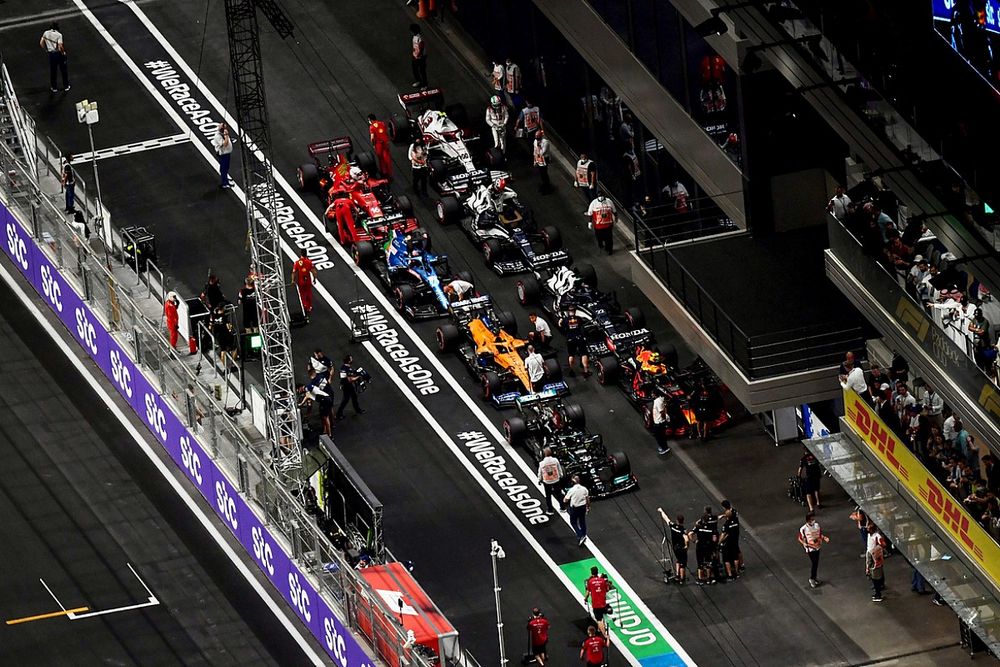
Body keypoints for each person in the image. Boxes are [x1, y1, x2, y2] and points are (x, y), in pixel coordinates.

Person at [798, 511, 830, 588]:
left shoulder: (817, 525)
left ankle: (814, 578)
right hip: (810, 548)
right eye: (812, 519)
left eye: (813, 518)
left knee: (816, 563)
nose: (813, 520)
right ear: (808, 520)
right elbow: (800, 538)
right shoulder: (803, 529)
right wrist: (805, 544)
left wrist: (824, 538)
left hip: (817, 546)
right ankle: (812, 579)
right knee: (814, 563)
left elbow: (820, 534)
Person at [657, 508, 689, 583]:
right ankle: (682, 578)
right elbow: (686, 539)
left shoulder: (673, 526)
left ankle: (677, 575)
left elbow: (666, 519)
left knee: (678, 560)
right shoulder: (683, 530)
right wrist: (687, 546)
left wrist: (661, 511)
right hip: (681, 548)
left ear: (677, 520)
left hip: (675, 547)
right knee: (683, 563)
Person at [583, 566, 614, 637]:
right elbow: (607, 590)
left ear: (592, 573)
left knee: (599, 619)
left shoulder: (590, 581)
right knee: (601, 615)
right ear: (597, 572)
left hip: (596, 605)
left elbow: (588, 592)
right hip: (603, 604)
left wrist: (585, 599)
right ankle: (600, 628)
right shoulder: (602, 580)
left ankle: (604, 634)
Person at [691, 507, 719, 585]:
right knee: (708, 563)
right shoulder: (712, 528)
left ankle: (700, 579)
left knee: (700, 563)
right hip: (708, 547)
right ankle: (709, 579)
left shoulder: (698, 527)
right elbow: (714, 539)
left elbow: (690, 534)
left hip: (700, 547)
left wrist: (694, 541)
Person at [559, 307, 590, 377]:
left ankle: (572, 370)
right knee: (584, 353)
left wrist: (560, 321)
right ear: (575, 311)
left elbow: (560, 326)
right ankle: (586, 371)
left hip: (570, 339)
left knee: (571, 355)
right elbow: (583, 326)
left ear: (568, 312)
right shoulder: (579, 319)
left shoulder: (565, 320)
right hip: (579, 338)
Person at [40, 22, 69, 92]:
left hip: (51, 54)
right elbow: (60, 46)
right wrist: (63, 53)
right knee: (63, 70)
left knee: (53, 71)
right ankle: (66, 86)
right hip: (58, 54)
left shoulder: (46, 33)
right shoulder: (59, 35)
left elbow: (41, 43)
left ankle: (54, 87)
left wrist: (46, 49)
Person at [335, 354, 366, 420]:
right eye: (351, 359)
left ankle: (357, 410)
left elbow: (351, 375)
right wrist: (359, 376)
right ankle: (338, 414)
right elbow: (350, 379)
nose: (352, 360)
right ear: (349, 361)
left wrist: (356, 372)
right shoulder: (346, 369)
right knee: (345, 400)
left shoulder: (345, 367)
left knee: (354, 397)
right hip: (346, 386)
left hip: (347, 385)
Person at [536, 446, 565, 515]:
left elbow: (540, 473)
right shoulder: (555, 460)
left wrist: (539, 480)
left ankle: (550, 510)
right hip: (556, 479)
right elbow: (559, 468)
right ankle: (562, 508)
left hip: (547, 481)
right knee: (559, 494)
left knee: (548, 496)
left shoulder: (542, 463)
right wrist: (561, 476)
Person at [563, 474, 590, 546]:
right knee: (582, 521)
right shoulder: (584, 489)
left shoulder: (572, 490)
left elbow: (565, 500)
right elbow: (587, 499)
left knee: (573, 522)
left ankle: (580, 535)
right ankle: (584, 534)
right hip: (583, 507)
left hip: (575, 508)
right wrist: (588, 507)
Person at [719, 500, 741, 580]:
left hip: (728, 542)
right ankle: (737, 571)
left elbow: (724, 534)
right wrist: (724, 515)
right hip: (735, 538)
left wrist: (719, 542)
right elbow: (730, 514)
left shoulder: (726, 525)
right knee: (735, 556)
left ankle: (730, 574)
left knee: (726, 559)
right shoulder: (735, 520)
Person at [291, 251, 316, 317]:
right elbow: (314, 272)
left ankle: (304, 305)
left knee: (302, 294)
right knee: (308, 293)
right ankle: (309, 307)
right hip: (307, 280)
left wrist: (293, 280)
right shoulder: (309, 262)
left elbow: (294, 272)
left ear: (301, 254)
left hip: (300, 281)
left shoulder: (297, 263)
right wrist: (314, 279)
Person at [368, 114, 392, 179]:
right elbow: (386, 132)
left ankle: (384, 172)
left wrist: (373, 144)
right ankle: (389, 172)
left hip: (378, 144)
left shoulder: (372, 127)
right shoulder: (382, 123)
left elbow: (372, 138)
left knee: (381, 158)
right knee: (387, 157)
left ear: (371, 120)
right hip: (385, 142)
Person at [211, 123, 234, 189]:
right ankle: (225, 183)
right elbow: (225, 144)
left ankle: (226, 179)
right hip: (223, 154)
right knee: (223, 169)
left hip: (226, 153)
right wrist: (226, 135)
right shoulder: (218, 136)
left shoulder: (222, 133)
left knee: (226, 168)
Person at [651, 388, 671, 455]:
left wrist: (664, 419)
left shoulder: (658, 401)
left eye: (652, 393)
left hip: (659, 422)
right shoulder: (660, 399)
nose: (651, 394)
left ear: (655, 394)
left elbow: (662, 412)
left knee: (659, 436)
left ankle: (664, 448)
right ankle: (663, 447)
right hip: (659, 422)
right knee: (661, 436)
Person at [533, 130, 552, 194]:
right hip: (538, 159)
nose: (537, 139)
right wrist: (535, 161)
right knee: (541, 173)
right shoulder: (535, 141)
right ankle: (544, 184)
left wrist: (539, 146)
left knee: (544, 173)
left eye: (538, 138)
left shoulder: (545, 142)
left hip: (544, 159)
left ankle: (547, 187)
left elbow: (542, 153)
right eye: (536, 138)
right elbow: (535, 151)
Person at [409, 23, 427, 88]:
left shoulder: (419, 38)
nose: (410, 32)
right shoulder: (414, 37)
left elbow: (421, 48)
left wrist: (418, 56)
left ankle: (425, 85)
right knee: (415, 70)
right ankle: (418, 81)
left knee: (422, 71)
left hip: (421, 57)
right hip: (415, 56)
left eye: (411, 31)